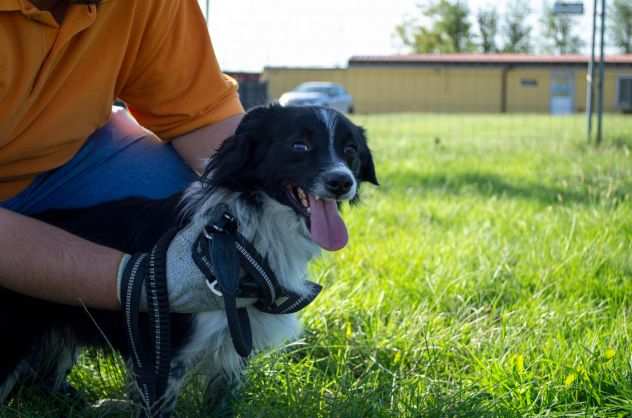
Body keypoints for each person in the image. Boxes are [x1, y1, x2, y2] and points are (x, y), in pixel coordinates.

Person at [0, 0, 246, 311]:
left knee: (190, 197)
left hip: (59, 164)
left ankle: (59, 329)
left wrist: (284, 192)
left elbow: (205, 122)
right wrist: (136, 280)